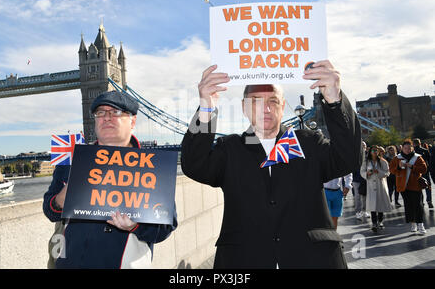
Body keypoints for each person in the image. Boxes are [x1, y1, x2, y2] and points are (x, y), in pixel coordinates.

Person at [181, 61, 362, 268]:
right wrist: (206, 107)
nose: (266, 109)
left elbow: (350, 158)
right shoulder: (229, 149)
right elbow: (193, 164)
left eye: (273, 101)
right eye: (256, 101)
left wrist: (334, 100)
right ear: (243, 108)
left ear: (283, 106)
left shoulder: (309, 143)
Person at [43, 91, 178, 268]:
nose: (106, 118)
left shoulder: (152, 167)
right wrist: (62, 198)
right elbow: (50, 210)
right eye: (100, 113)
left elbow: (165, 228)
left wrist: (135, 226)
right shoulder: (72, 162)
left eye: (115, 112)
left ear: (133, 121)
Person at [390, 139, 428, 234]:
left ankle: (420, 224)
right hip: (403, 186)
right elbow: (391, 170)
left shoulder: (417, 157)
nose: (407, 150)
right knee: (408, 206)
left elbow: (424, 169)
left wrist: (412, 167)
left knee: (418, 205)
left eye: (409, 148)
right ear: (402, 148)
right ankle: (413, 224)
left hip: (415, 185)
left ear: (412, 148)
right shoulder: (397, 158)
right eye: (405, 148)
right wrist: (398, 167)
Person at [361, 145, 392, 232]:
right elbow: (362, 171)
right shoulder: (366, 162)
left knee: (380, 204)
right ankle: (374, 223)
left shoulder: (382, 161)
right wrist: (367, 173)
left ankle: (380, 221)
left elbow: (387, 172)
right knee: (373, 205)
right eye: (373, 150)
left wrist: (379, 172)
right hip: (371, 185)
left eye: (376, 150)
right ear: (370, 151)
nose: (375, 152)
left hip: (380, 184)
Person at [413, 138, 433, 209]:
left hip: (416, 172)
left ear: (414, 144)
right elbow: (429, 161)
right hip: (425, 171)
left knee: (418, 188)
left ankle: (421, 202)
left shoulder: (412, 152)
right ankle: (429, 200)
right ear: (420, 143)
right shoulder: (425, 150)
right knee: (428, 186)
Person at [353, 141, 368, 220]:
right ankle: (358, 212)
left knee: (365, 196)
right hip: (357, 178)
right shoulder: (355, 156)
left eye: (364, 145)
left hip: (365, 178)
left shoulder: (368, 156)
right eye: (361, 145)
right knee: (357, 196)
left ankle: (365, 210)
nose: (363, 147)